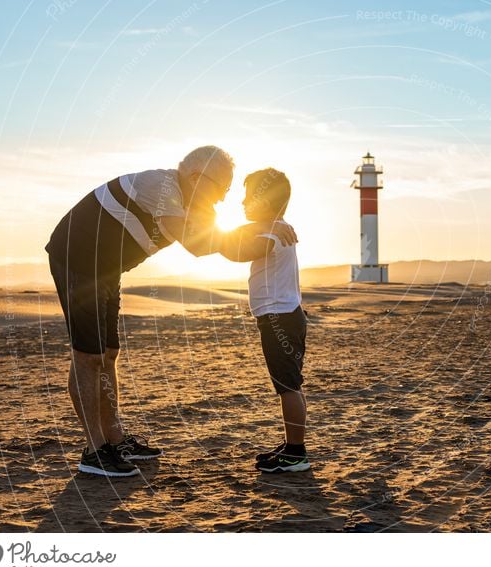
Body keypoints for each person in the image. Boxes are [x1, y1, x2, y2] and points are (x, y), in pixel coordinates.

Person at [45, 146, 297, 477]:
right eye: (220, 189)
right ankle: (94, 450)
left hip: (107, 270)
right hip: (77, 259)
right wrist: (262, 228)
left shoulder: (195, 203)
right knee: (88, 357)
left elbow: (222, 242)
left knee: (109, 354)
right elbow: (198, 244)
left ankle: (115, 437)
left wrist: (266, 227)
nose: (221, 200)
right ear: (196, 177)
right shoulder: (161, 187)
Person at [220, 168, 309, 473]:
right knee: (289, 384)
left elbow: (236, 252)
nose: (243, 203)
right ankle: (291, 446)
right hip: (282, 316)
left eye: (249, 197)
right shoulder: (274, 227)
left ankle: (296, 453)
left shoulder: (273, 234)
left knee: (288, 387)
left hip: (280, 319)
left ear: (266, 202)